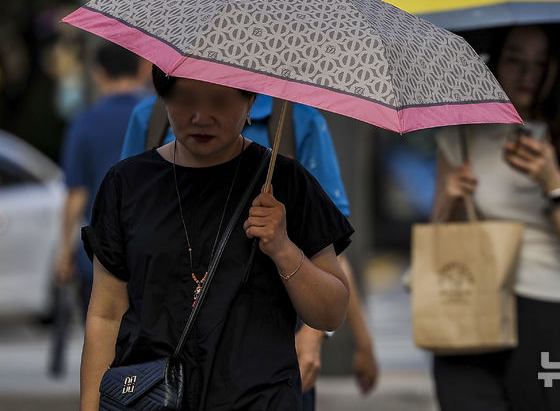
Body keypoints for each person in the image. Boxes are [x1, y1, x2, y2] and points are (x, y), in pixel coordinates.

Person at [80, 65, 354, 410]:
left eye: (220, 101)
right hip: (152, 398)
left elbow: (331, 312)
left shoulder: (287, 184)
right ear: (162, 96)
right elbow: (105, 313)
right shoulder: (126, 185)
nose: (201, 116)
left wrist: (283, 248)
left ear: (251, 99)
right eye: (184, 99)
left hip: (259, 399)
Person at [431, 25, 560, 411]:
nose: (527, 73)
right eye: (515, 60)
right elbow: (437, 236)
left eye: (540, 63)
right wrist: (451, 200)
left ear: (555, 69)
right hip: (470, 306)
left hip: (546, 309)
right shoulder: (462, 133)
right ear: (495, 61)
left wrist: (552, 180)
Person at [55, 42, 149, 317]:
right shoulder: (158, 115)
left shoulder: (84, 122)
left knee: (103, 342)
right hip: (151, 250)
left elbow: (76, 194)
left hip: (100, 254)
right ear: (141, 70)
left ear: (99, 73)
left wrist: (64, 252)